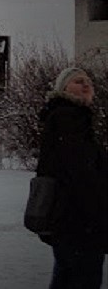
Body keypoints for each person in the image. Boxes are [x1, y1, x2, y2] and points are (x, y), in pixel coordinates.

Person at [37, 66, 108, 288]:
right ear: (63, 88)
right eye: (78, 81)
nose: (86, 84)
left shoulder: (72, 118)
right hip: (79, 220)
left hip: (69, 219)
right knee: (82, 278)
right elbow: (81, 172)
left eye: (88, 81)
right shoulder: (68, 118)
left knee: (67, 277)